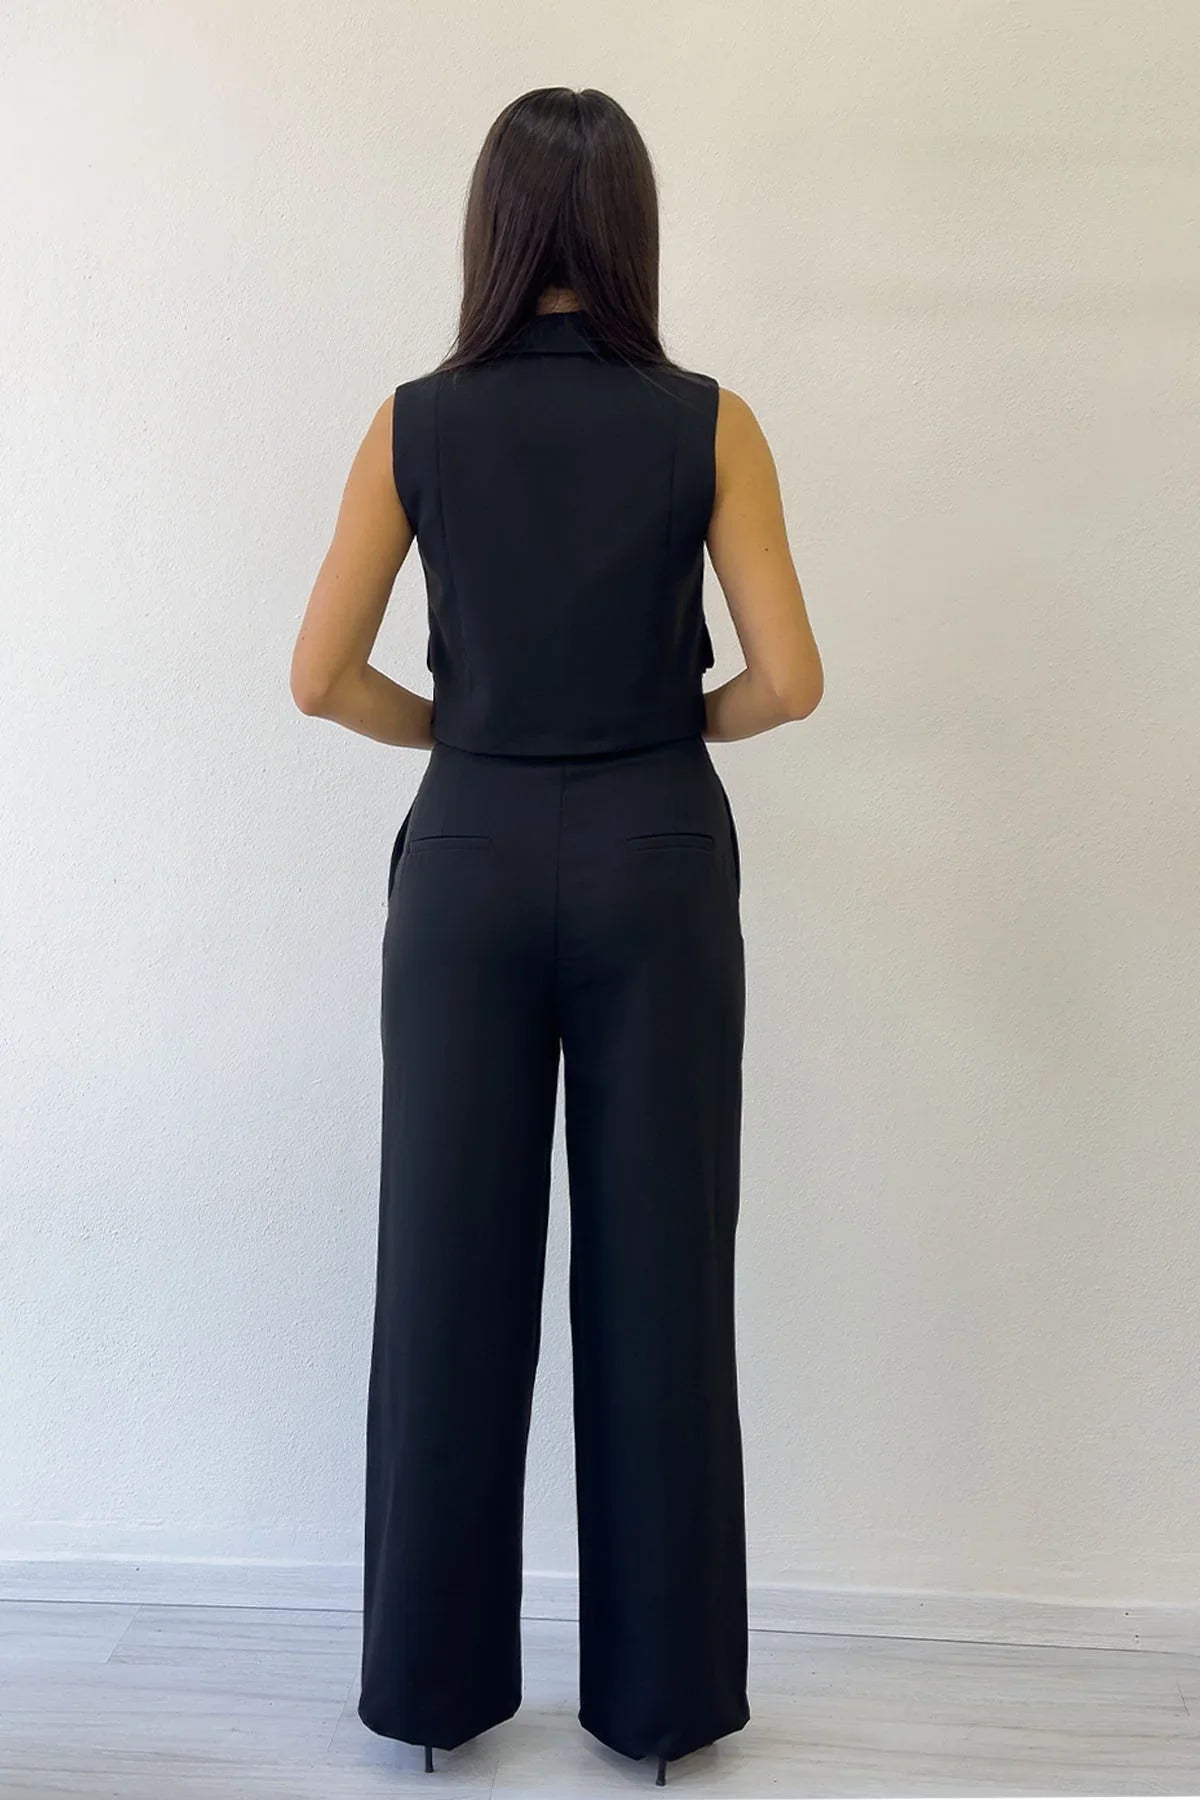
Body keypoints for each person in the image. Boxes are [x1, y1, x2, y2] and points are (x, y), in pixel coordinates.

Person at [290, 85, 822, 1789]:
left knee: (445, 1275)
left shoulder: (415, 424)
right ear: (632, 230)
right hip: (660, 852)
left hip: (469, 856)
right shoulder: (711, 423)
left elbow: (321, 676)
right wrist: (673, 728)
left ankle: (433, 1702)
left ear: (494, 227)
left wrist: (464, 736)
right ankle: (659, 1714)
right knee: (662, 1280)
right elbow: (792, 679)